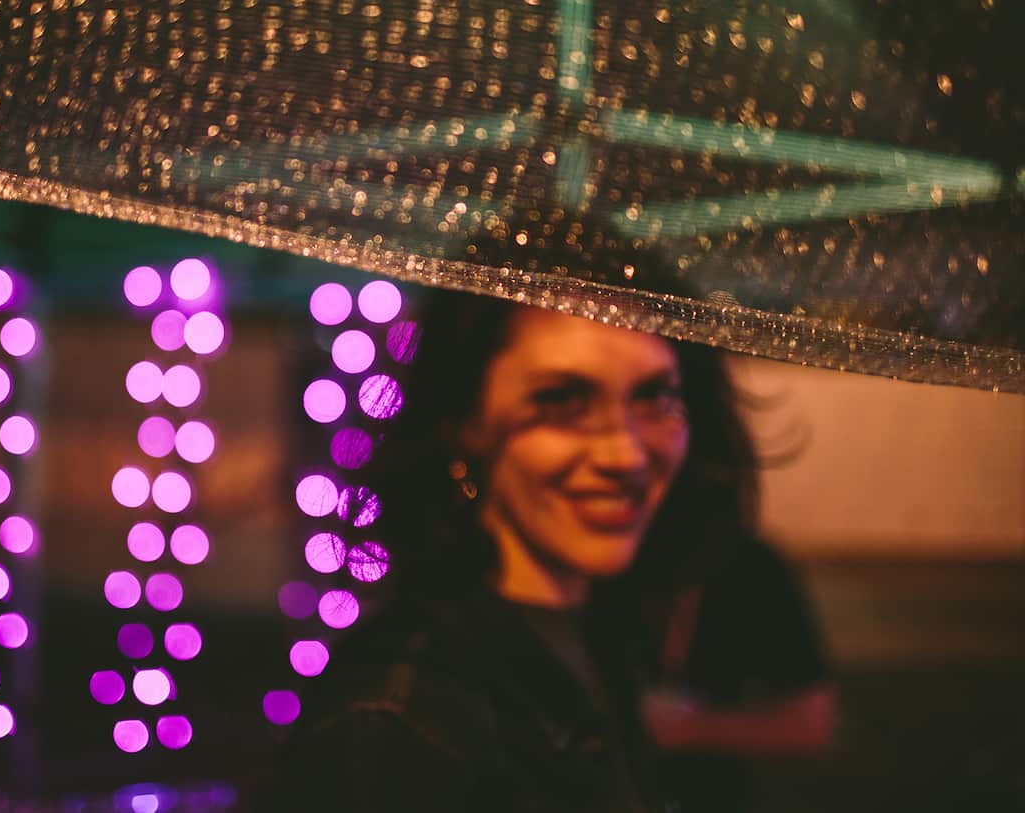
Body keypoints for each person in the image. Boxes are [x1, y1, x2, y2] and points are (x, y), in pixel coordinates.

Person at [260, 272, 778, 813]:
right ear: (465, 421)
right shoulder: (401, 719)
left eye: (656, 396)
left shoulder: (607, 635)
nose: (625, 455)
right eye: (562, 401)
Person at [642, 532, 837, 813]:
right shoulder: (602, 561)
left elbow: (813, 724)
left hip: (712, 795)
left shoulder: (749, 566)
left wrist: (690, 728)